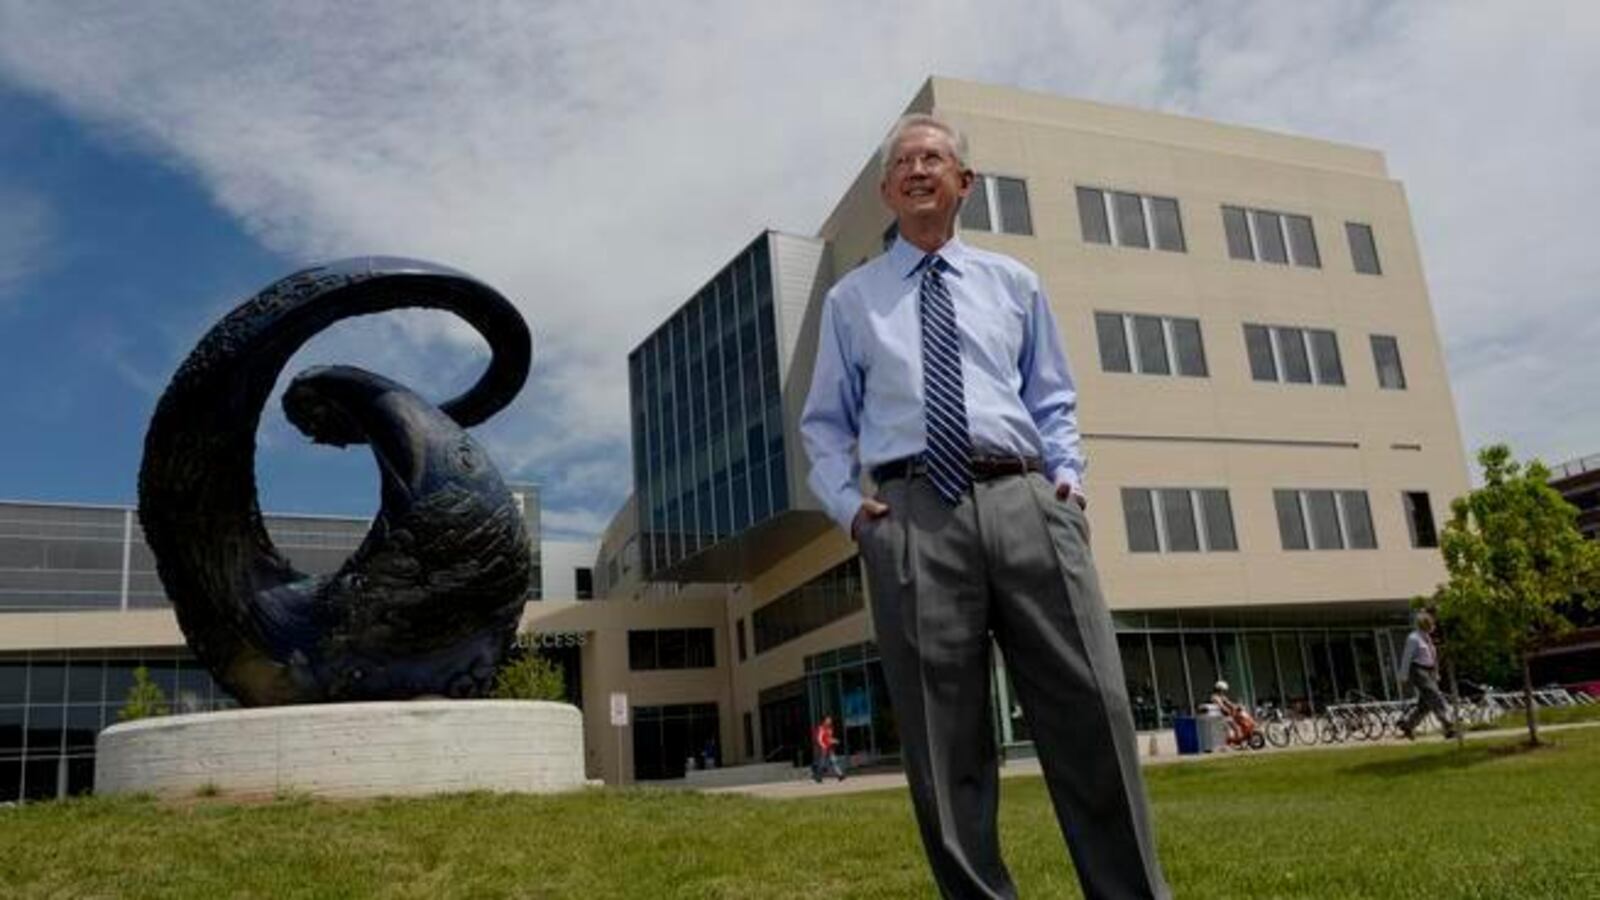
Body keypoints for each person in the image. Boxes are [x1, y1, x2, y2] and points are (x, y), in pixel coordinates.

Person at [801, 112, 1169, 899]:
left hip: (1026, 500)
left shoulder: (1014, 283)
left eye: (933, 156)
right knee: (944, 741)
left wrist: (1067, 483)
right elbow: (824, 424)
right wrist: (851, 513)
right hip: (912, 518)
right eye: (903, 161)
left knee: (1093, 712)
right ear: (886, 190)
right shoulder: (851, 302)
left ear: (964, 183)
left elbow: (1053, 397)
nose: (917, 168)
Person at [1397, 611, 1456, 740]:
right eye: (1431, 623)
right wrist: (1403, 675)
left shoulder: (1428, 638)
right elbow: (1407, 657)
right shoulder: (1413, 638)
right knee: (1435, 695)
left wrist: (1436, 673)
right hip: (1418, 670)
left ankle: (1408, 726)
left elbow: (1432, 657)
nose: (1433, 626)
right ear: (1424, 624)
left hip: (1429, 671)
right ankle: (1448, 726)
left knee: (1425, 705)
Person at [812, 715, 844, 782]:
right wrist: (823, 746)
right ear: (824, 721)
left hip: (829, 748)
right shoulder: (821, 728)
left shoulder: (830, 729)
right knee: (822, 764)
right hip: (823, 748)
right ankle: (818, 776)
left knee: (834, 761)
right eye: (828, 719)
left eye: (830, 720)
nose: (830, 721)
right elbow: (819, 739)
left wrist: (834, 740)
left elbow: (828, 738)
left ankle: (840, 775)